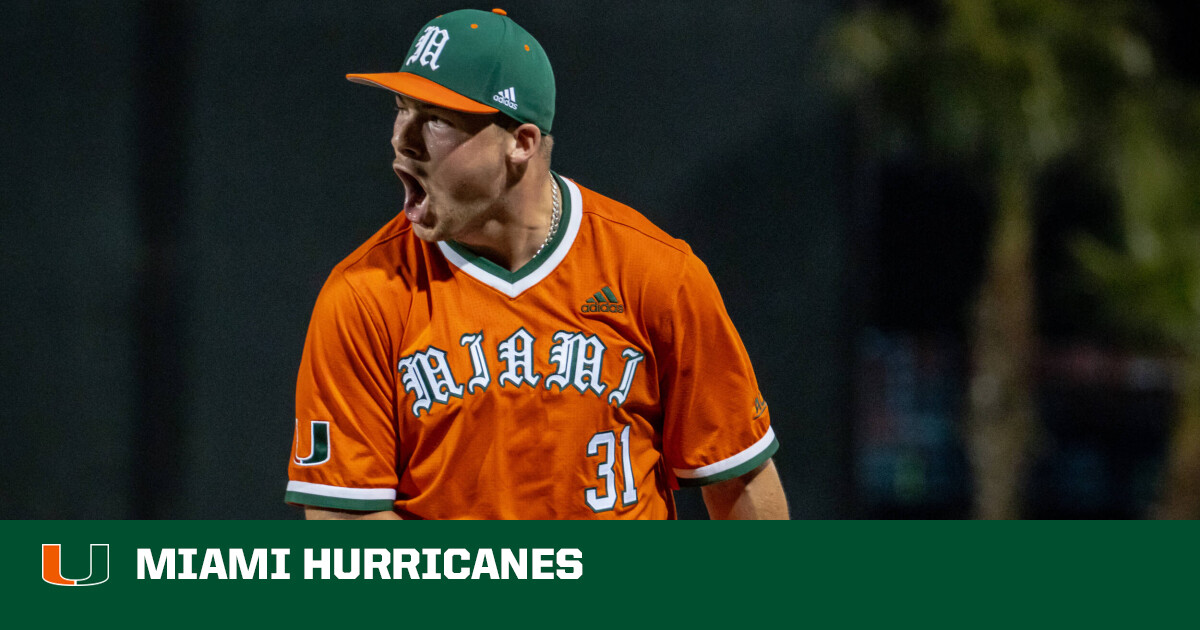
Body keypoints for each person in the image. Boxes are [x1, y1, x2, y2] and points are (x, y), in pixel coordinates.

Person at [285, 8, 788, 519]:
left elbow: (740, 479)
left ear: (521, 144)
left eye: (436, 119)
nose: (402, 139)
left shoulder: (654, 271)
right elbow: (346, 518)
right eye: (401, 108)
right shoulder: (364, 294)